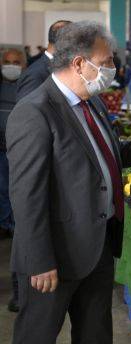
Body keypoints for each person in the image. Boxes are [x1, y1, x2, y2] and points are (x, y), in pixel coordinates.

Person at [6, 21, 131, 344]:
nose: (112, 69)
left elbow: (111, 156)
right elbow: (27, 196)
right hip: (53, 256)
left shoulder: (90, 104)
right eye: (106, 61)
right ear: (80, 63)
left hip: (96, 247)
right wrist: (39, 260)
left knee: (95, 343)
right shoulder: (35, 112)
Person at [1, 48, 26, 314]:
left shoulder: (29, 87)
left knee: (22, 226)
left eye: (15, 63)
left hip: (19, 159)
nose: (11, 66)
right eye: (6, 63)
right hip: (1, 158)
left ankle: (20, 292)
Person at [17, 20, 71, 101]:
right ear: (64, 42)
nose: (81, 47)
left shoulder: (62, 67)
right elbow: (26, 110)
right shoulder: (35, 74)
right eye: (77, 42)